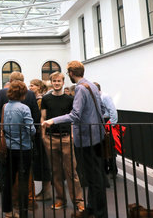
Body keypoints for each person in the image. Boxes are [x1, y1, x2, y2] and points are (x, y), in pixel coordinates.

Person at [42, 61, 108, 218]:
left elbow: (75, 115)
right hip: (97, 134)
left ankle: (98, 213)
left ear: (71, 73)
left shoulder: (79, 88)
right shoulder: (91, 85)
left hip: (87, 137)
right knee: (95, 176)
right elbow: (103, 109)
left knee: (93, 178)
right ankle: (92, 209)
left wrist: (53, 121)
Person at [41, 72, 84, 212]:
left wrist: (72, 135)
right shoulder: (46, 99)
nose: (57, 83)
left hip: (66, 137)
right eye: (54, 81)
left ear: (63, 82)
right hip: (50, 138)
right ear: (51, 82)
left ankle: (78, 201)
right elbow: (43, 118)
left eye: (59, 81)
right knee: (56, 171)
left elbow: (73, 118)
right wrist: (43, 136)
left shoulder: (69, 99)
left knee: (71, 171)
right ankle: (60, 199)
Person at [0, 72, 40, 195]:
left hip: (7, 136)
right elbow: (36, 115)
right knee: (25, 170)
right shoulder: (30, 94)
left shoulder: (2, 92)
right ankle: (26, 196)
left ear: (11, 80)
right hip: (26, 137)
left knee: (5, 164)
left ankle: (1, 185)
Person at [2, 80, 36, 218]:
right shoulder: (24, 108)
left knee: (8, 180)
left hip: (9, 148)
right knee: (22, 181)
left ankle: (8, 211)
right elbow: (31, 129)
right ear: (22, 93)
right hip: (24, 148)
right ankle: (23, 212)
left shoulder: (6, 107)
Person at [28, 78, 52, 201]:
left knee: (44, 161)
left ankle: (47, 191)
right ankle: (44, 190)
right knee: (41, 162)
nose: (30, 87)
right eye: (30, 85)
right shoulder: (36, 99)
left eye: (33, 85)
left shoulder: (41, 100)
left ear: (39, 87)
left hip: (41, 134)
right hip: (38, 134)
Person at [94, 82, 118, 179]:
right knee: (102, 147)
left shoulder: (105, 97)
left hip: (106, 122)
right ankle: (105, 169)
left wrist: (110, 124)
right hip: (101, 122)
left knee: (109, 147)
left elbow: (113, 111)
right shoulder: (96, 97)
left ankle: (113, 170)